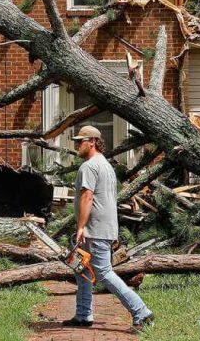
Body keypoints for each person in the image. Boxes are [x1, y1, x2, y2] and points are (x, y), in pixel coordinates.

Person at [63, 125, 154, 331]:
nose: (77, 145)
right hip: (103, 227)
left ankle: (141, 312)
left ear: (93, 142)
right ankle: (83, 315)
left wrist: (81, 227)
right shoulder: (105, 165)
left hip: (94, 229)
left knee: (103, 272)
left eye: (80, 141)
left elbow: (87, 197)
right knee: (82, 269)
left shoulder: (89, 167)